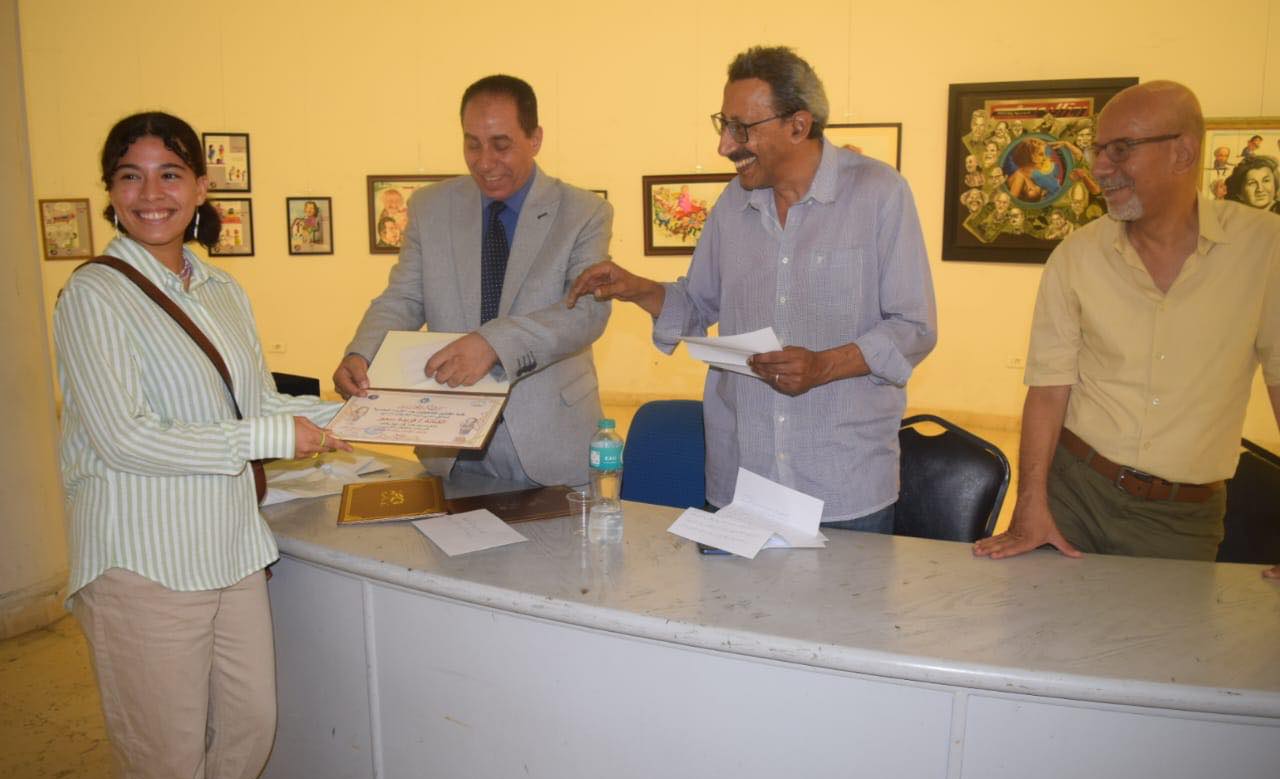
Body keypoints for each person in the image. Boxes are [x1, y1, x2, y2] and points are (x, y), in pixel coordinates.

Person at [53, 111, 352, 779]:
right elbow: (125, 437)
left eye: (169, 174)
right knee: (164, 767)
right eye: (130, 176)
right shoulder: (93, 296)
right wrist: (272, 437)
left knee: (250, 725)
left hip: (229, 549)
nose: (151, 193)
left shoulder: (221, 288)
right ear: (110, 190)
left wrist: (361, 412)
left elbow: (255, 403)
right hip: (143, 562)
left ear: (200, 187)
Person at [568, 45, 936, 530]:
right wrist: (635, 287)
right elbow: (696, 304)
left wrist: (824, 365)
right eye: (723, 125)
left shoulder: (878, 194)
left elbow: (914, 327)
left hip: (842, 485)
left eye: (741, 129)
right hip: (741, 479)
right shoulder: (731, 205)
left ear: (798, 125)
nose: (724, 146)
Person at [972, 81, 1280, 579]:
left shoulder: (1264, 250)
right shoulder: (1076, 256)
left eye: (1121, 149)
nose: (1100, 168)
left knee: (1166, 633)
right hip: (1075, 494)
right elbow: (1048, 390)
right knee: (1040, 623)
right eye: (1098, 150)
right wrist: (1031, 504)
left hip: (1183, 519)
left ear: (1183, 152)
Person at [335, 74, 612, 486]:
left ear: (535, 139)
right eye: (472, 144)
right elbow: (403, 297)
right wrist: (362, 352)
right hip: (450, 444)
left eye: (501, 145)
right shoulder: (430, 208)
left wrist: (494, 344)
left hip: (549, 441)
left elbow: (586, 314)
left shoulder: (584, 212)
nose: (484, 162)